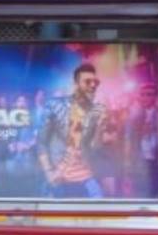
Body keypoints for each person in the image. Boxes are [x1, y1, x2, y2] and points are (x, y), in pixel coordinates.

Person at [37, 62, 107, 199]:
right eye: (87, 82)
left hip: (85, 175)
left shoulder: (95, 111)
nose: (93, 85)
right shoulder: (55, 105)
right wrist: (49, 172)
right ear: (76, 84)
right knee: (56, 218)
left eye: (95, 82)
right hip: (59, 175)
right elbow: (41, 142)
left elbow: (95, 147)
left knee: (98, 206)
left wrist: (100, 128)